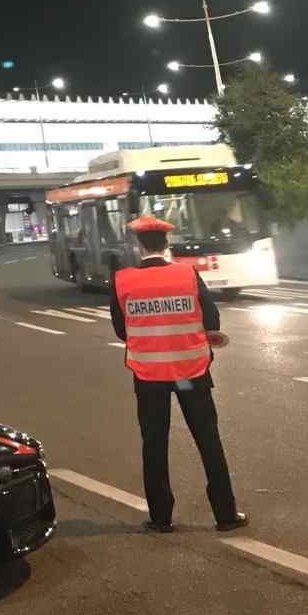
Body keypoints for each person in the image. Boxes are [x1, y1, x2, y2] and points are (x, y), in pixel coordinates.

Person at [110, 216, 248, 534]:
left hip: (149, 377)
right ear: (166, 244)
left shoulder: (122, 280)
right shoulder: (188, 274)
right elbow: (211, 318)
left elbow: (121, 330)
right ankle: (225, 515)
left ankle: (161, 518)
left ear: (138, 245)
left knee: (154, 444)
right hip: (191, 373)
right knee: (208, 440)